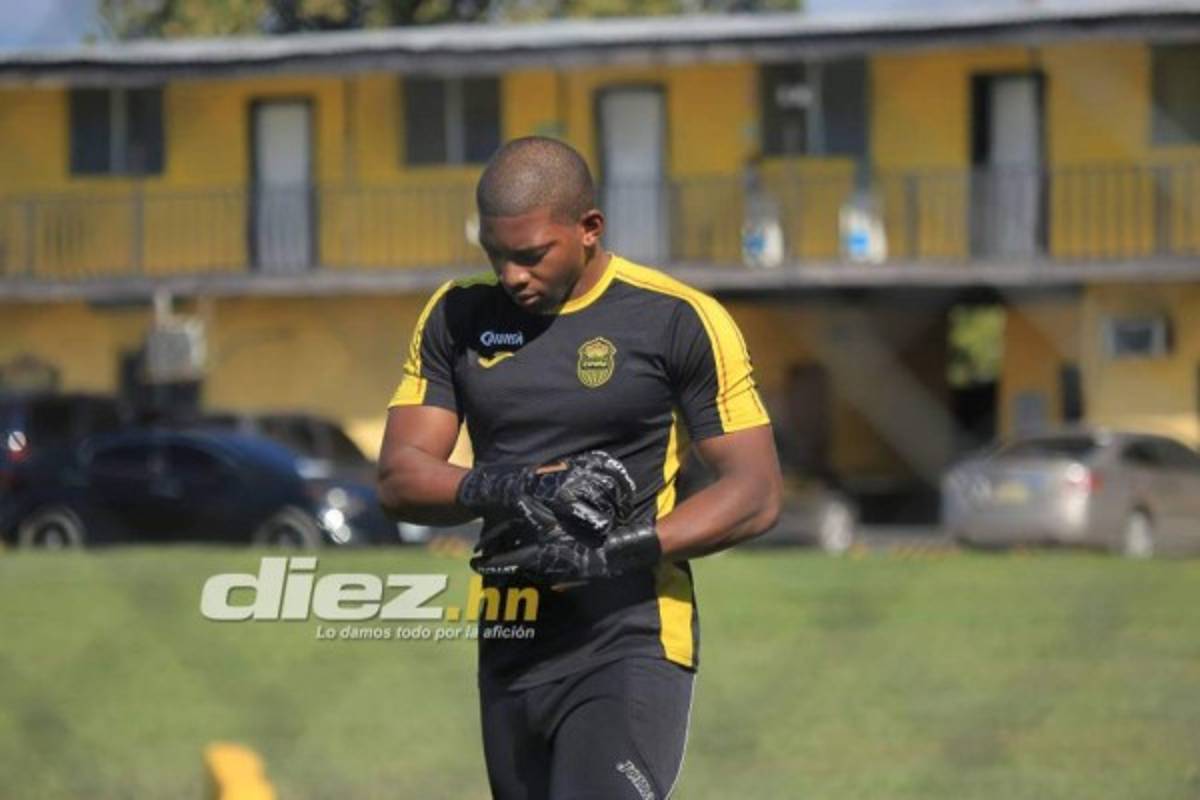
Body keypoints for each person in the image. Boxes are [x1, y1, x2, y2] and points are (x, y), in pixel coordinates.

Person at [378, 136, 782, 800]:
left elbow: (757, 492)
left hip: (631, 637)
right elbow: (398, 477)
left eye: (531, 255)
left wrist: (623, 550)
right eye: (494, 253)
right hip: (512, 637)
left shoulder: (677, 319)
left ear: (589, 229)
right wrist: (510, 486)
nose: (511, 275)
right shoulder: (458, 317)